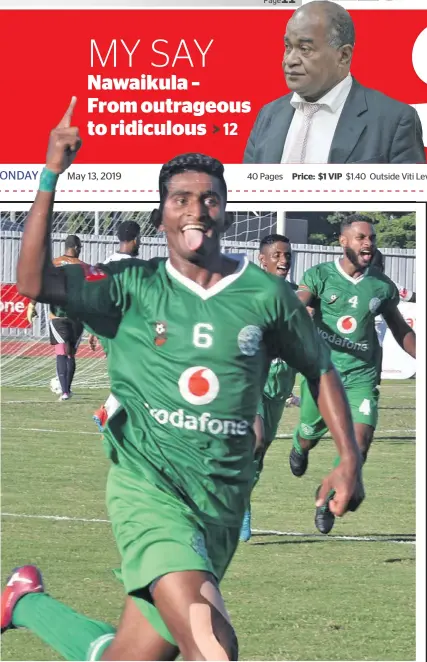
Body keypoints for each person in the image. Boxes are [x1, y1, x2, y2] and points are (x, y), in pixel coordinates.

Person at [2, 98, 364, 662]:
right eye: (181, 199)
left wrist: (349, 459)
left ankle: (24, 602)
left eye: (209, 199)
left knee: (129, 656)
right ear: (162, 212)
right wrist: (51, 172)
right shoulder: (130, 284)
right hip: (149, 492)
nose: (196, 210)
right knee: (213, 647)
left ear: (226, 210)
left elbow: (318, 367)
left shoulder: (265, 295)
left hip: (219, 502)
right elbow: (32, 280)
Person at [291, 215, 416, 536]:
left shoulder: (381, 285)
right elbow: (297, 304)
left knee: (359, 446)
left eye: (372, 238)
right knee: (308, 432)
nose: (368, 243)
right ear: (343, 242)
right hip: (322, 375)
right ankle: (301, 445)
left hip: (362, 378)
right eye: (361, 237)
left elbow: (401, 329)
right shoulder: (319, 275)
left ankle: (328, 497)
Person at [243, 1, 425, 165]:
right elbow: (246, 197)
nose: (290, 60)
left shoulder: (394, 121)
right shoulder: (268, 116)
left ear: (343, 55)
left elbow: (406, 200)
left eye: (304, 49)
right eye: (287, 47)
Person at [240, 234, 300, 543]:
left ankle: (242, 496)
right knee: (256, 439)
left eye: (288, 255)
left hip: (280, 386)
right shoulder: (246, 292)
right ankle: (240, 506)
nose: (284, 260)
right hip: (251, 381)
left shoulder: (297, 295)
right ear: (263, 260)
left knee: (260, 453)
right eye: (277, 255)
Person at [90, 220, 142, 431]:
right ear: (137, 239)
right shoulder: (134, 266)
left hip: (108, 329)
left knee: (132, 375)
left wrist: (93, 329)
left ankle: (110, 413)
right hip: (126, 330)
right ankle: (108, 414)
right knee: (138, 375)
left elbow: (96, 296)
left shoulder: (105, 263)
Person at [27, 234, 87, 401]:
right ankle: (68, 389)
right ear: (76, 248)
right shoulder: (84, 267)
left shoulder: (53, 264)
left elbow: (39, 284)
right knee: (71, 354)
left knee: (60, 351)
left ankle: (65, 392)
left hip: (58, 315)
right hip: (77, 317)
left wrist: (32, 304)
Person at [370, 248, 416, 348]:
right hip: (376, 328)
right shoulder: (388, 284)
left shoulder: (388, 285)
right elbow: (412, 297)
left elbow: (411, 297)